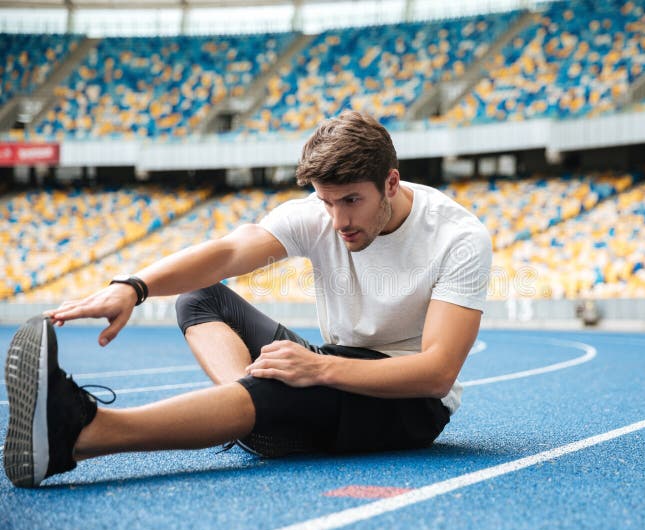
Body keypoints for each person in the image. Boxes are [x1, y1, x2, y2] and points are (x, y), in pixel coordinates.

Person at [3, 111, 492, 488]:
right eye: (326, 201)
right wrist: (132, 287)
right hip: (338, 367)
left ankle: (82, 436)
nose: (338, 220)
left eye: (351, 201)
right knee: (200, 298)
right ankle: (262, 417)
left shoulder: (457, 237)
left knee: (294, 377)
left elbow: (436, 372)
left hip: (409, 404)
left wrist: (318, 369)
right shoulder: (321, 215)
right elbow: (230, 251)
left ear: (391, 181)